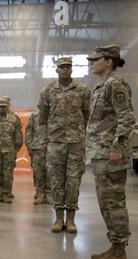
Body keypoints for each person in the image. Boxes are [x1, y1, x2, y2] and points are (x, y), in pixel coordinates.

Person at [86, 44, 135, 259]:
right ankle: (115, 247)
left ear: (108, 61)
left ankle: (119, 251)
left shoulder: (115, 84)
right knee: (106, 202)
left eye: (96, 59)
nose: (92, 62)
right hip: (102, 155)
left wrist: (117, 148)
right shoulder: (102, 86)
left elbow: (127, 119)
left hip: (111, 155)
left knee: (114, 203)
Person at [38, 57, 90, 233]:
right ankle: (59, 218)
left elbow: (87, 114)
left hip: (76, 144)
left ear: (72, 69)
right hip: (55, 143)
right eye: (62, 67)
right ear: (57, 70)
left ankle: (71, 218)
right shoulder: (48, 90)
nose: (65, 70)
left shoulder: (82, 90)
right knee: (56, 181)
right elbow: (42, 118)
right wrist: (43, 141)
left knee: (74, 182)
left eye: (68, 67)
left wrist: (84, 137)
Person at [25, 109, 50, 204]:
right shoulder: (34, 115)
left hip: (51, 147)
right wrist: (29, 146)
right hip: (37, 147)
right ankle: (40, 193)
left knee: (50, 172)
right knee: (38, 171)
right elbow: (29, 131)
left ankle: (49, 193)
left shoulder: (54, 113)